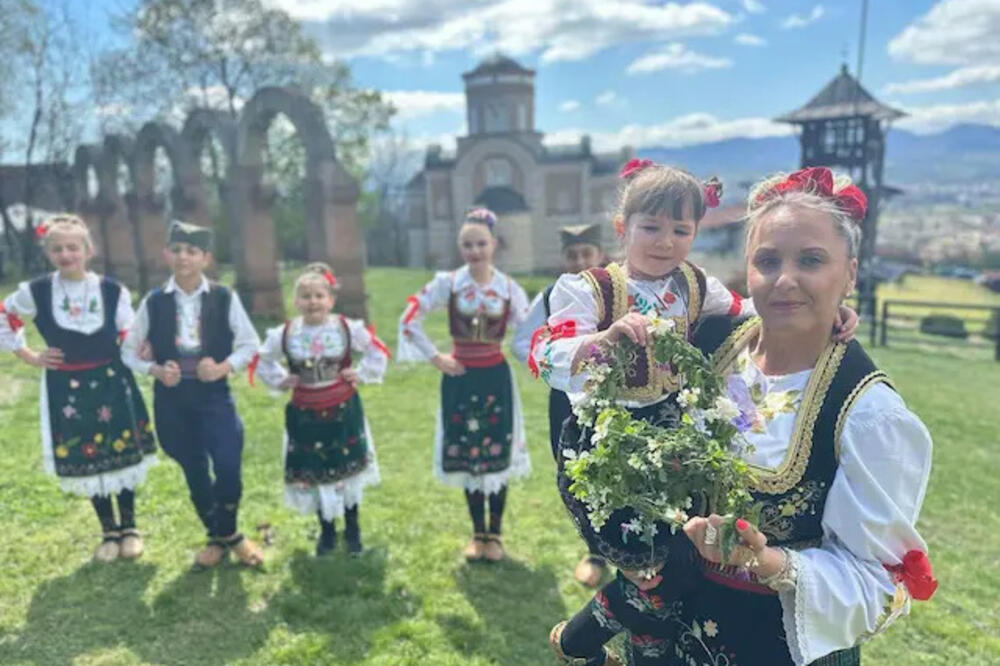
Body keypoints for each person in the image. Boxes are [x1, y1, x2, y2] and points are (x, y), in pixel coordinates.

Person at [536, 161, 860, 664]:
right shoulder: (589, 288)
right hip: (608, 447)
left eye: (680, 230)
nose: (665, 242)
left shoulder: (694, 284)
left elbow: (751, 308)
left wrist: (828, 307)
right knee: (656, 570)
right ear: (623, 228)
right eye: (651, 227)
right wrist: (601, 341)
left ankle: (591, 646)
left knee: (676, 569)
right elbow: (546, 354)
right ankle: (581, 641)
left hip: (671, 441)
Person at [670, 167, 936, 665]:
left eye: (811, 260)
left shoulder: (868, 413)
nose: (785, 280)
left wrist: (766, 561)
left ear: (850, 273)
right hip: (673, 625)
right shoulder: (710, 343)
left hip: (778, 646)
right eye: (767, 261)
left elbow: (875, 581)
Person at [0, 214, 157, 561]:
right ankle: (108, 531)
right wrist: (27, 354)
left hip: (112, 381)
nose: (66, 254)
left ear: (88, 250)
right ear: (48, 253)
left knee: (121, 449)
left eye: (73, 247)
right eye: (57, 249)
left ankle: (130, 527)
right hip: (66, 386)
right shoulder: (37, 291)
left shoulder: (111, 290)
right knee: (86, 452)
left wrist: (142, 347)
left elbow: (127, 332)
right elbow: (4, 314)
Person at [122, 220, 263, 569]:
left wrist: (223, 367)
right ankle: (222, 537)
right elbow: (127, 351)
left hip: (213, 394)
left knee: (228, 463)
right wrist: (155, 370)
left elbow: (249, 343)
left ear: (206, 258)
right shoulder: (155, 301)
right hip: (172, 399)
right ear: (167, 254)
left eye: (192, 251)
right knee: (194, 466)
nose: (183, 257)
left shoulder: (223, 297)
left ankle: (226, 533)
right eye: (177, 250)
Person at [398, 207, 531, 562]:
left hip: (495, 377)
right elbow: (409, 319)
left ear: (494, 245)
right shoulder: (449, 283)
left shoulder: (507, 288)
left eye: (481, 244)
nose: (475, 251)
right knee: (467, 452)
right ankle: (477, 534)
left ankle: (496, 535)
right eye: (468, 245)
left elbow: (531, 328)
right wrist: (436, 357)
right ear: (461, 248)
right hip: (459, 377)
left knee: (497, 452)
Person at [253, 263, 389, 556]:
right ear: (296, 302)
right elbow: (262, 359)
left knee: (348, 467)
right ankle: (327, 532)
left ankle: (353, 531)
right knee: (315, 469)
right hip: (306, 412)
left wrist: (361, 373)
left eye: (318, 295)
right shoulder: (286, 333)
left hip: (342, 409)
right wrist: (281, 379)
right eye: (305, 296)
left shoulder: (345, 328)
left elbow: (378, 349)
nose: (312, 301)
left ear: (331, 300)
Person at [512, 222, 609, 586]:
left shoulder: (617, 289)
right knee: (575, 470)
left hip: (614, 397)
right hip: (566, 398)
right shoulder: (552, 295)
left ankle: (615, 550)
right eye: (572, 255)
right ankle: (594, 548)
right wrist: (556, 365)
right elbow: (522, 343)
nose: (580, 261)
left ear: (599, 255)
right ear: (562, 258)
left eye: (587, 253)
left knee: (613, 466)